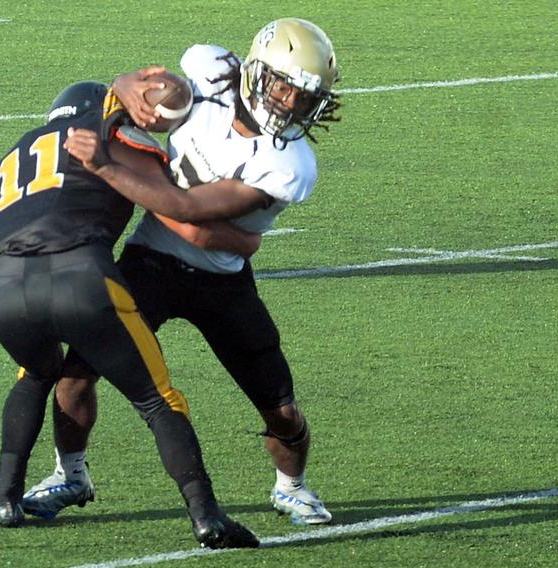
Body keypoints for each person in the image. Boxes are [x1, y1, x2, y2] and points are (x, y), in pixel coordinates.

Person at [22, 17, 342, 527]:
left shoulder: (291, 164)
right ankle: (70, 472)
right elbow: (138, 91)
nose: (288, 103)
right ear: (256, 72)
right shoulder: (208, 70)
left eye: (304, 98)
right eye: (283, 86)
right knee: (77, 373)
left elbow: (190, 212)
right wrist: (128, 85)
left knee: (279, 408)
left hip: (222, 279)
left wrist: (112, 169)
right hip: (151, 259)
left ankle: (292, 486)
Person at [0, 79, 262, 548]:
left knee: (34, 373)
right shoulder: (111, 135)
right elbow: (174, 204)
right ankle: (206, 515)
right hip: (80, 276)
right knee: (157, 400)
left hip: (4, 289)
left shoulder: (16, 152)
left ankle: (5, 498)